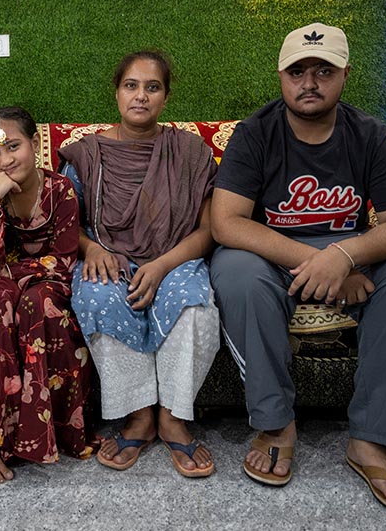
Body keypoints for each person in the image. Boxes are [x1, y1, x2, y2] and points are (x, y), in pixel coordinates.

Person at [210, 23, 386, 515]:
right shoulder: (255, 133)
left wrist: (347, 255)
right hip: (273, 254)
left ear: (344, 75)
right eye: (297, 71)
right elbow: (226, 223)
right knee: (237, 274)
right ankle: (275, 423)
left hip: (348, 251)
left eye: (323, 70)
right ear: (281, 77)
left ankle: (372, 439)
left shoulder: (369, 134)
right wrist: (323, 263)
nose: (309, 82)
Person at [59, 50, 220, 477]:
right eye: (131, 86)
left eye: (153, 88)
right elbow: (64, 222)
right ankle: (138, 416)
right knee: (96, 294)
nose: (141, 97)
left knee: (193, 302)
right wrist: (91, 249)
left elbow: (209, 230)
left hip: (175, 257)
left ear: (166, 97)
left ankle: (172, 415)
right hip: (108, 256)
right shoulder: (86, 154)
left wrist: (163, 265)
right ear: (116, 93)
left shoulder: (190, 152)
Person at [0, 106, 98, 484]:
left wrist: (9, 275)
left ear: (35, 144)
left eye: (14, 147)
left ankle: (49, 433)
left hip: (46, 284)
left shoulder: (60, 190)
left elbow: (63, 258)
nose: (5, 160)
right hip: (3, 284)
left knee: (39, 303)